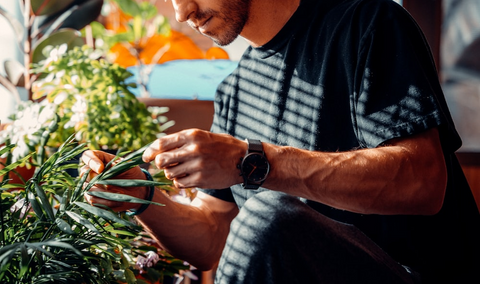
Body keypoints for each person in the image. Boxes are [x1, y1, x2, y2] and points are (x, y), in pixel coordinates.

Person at [82, 0, 480, 283]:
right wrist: (143, 198)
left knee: (269, 216)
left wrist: (252, 160)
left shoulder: (369, 22)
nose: (182, 12)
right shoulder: (234, 91)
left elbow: (424, 183)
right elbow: (214, 237)